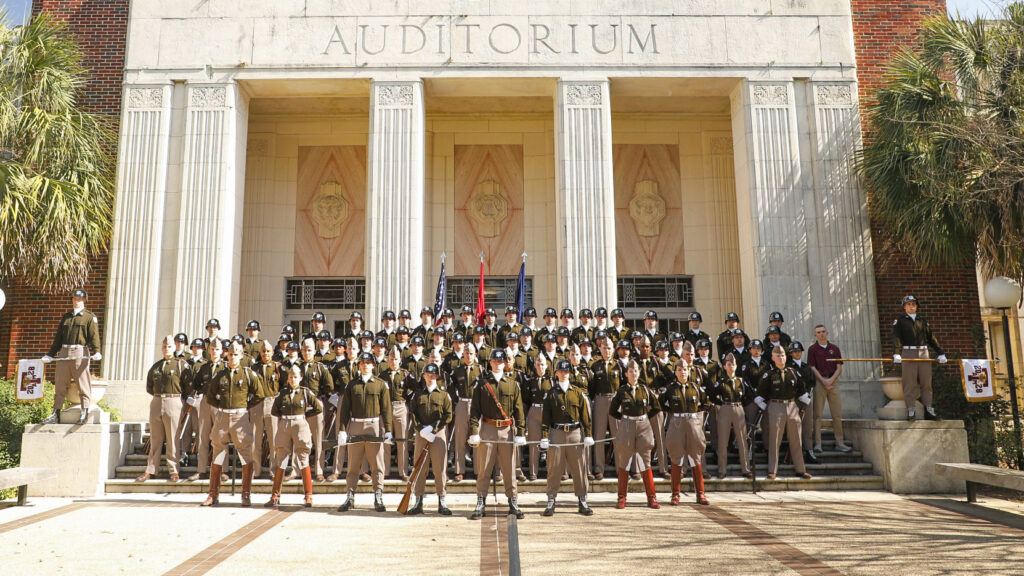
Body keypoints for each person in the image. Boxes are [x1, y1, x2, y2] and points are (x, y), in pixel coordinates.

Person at [202, 341, 265, 507]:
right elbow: (210, 396)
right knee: (217, 454)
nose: (233, 357)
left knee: (245, 455)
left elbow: (259, 394)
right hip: (222, 417)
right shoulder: (220, 375)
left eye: (236, 354)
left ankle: (245, 494)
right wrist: (221, 407)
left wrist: (245, 407)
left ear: (241, 355)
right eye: (230, 354)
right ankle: (213, 494)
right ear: (226, 355)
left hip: (240, 417)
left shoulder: (247, 374)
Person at [467, 349, 527, 520]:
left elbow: (519, 410)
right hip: (487, 428)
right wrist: (474, 432)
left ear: (505, 363)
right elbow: (475, 411)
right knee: (484, 468)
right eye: (494, 361)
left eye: (500, 361)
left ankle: (513, 501)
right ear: (490, 362)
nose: (497, 363)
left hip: (506, 431)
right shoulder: (482, 384)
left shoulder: (512, 384)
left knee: (509, 469)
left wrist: (521, 432)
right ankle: (481, 501)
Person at [337, 352, 394, 513]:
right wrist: (342, 429)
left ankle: (378, 495)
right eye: (362, 362)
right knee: (353, 465)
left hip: (374, 426)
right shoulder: (352, 385)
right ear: (359, 365)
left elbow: (386, 410)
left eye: (368, 362)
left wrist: (388, 430)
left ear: (373, 365)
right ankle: (350, 496)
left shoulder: (380, 385)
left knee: (377, 465)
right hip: (355, 425)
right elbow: (345, 410)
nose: (365, 365)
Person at [540, 359, 594, 516]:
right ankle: (551, 500)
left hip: (575, 433)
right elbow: (545, 419)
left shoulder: (577, 392)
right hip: (557, 433)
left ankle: (582, 500)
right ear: (556, 373)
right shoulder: (551, 393)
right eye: (561, 371)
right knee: (554, 468)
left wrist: (588, 435)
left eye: (566, 371)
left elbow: (585, 416)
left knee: (579, 469)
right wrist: (544, 436)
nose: (564, 374)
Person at [41, 289, 102, 424]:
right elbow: (58, 338)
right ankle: (55, 413)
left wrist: (97, 351)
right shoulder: (66, 317)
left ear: (84, 300)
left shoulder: (89, 317)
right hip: (64, 351)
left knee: (83, 383)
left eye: (79, 299)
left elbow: (94, 336)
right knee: (60, 384)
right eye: (74, 299)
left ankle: (84, 411)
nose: (76, 301)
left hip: (80, 352)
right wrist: (50, 354)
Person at [136, 336, 192, 483]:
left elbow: (188, 387)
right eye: (165, 346)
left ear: (174, 348)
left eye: (169, 346)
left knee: (173, 438)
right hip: (156, 400)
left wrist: (182, 403)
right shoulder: (156, 366)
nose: (167, 348)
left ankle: (173, 471)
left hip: (174, 401)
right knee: (155, 438)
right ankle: (150, 469)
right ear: (162, 348)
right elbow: (149, 386)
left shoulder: (181, 364)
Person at [265, 364, 322, 508]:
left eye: (295, 377)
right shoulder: (282, 393)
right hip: (284, 424)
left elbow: (318, 407)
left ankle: (308, 495)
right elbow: (274, 410)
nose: (292, 379)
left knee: (303, 457)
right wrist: (285, 418)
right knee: (281, 458)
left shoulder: (305, 393)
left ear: (300, 378)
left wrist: (304, 416)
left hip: (300, 424)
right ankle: (275, 496)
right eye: (290, 377)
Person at [753, 346, 813, 481]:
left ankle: (800, 470)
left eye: (783, 355)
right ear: (773, 358)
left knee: (796, 439)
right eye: (778, 356)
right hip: (775, 406)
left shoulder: (793, 373)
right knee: (775, 440)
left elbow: (802, 391)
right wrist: (766, 407)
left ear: (787, 357)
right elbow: (759, 395)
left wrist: (806, 402)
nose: (781, 358)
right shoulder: (769, 374)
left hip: (792, 406)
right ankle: (772, 471)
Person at [610, 359, 661, 509]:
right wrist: (625, 419)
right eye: (631, 371)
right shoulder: (621, 391)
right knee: (624, 461)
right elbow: (612, 411)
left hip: (643, 426)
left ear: (639, 373)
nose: (634, 373)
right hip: (626, 426)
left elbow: (656, 407)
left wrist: (644, 418)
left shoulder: (645, 390)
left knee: (645, 461)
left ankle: (652, 498)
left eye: (636, 371)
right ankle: (621, 498)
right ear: (626, 374)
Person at [406, 363, 454, 516]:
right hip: (421, 435)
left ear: (437, 376)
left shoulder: (443, 395)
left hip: (438, 433)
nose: (431, 376)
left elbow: (448, 415)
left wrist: (433, 429)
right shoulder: (417, 394)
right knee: (420, 468)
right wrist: (421, 429)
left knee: (440, 469)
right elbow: (412, 413)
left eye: (434, 374)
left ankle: (442, 500)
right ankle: (418, 501)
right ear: (423, 375)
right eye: (428, 374)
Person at [661, 358, 710, 505]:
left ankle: (700, 494)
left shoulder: (695, 387)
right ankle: (675, 494)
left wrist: (695, 414)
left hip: (693, 423)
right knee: (677, 458)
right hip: (677, 423)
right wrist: (673, 412)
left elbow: (706, 403)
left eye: (685, 369)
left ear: (689, 371)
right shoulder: (670, 388)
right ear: (675, 372)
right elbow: (661, 403)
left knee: (696, 458)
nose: (683, 372)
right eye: (680, 370)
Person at [892, 295, 946, 420]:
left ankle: (928, 409)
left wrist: (940, 352)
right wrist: (897, 352)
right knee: (909, 383)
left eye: (914, 304)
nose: (911, 306)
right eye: (909, 304)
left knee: (926, 383)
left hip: (923, 353)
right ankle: (911, 410)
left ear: (917, 306)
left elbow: (931, 338)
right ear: (904, 307)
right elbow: (897, 337)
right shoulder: (900, 321)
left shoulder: (923, 320)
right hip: (908, 352)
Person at [807, 324, 852, 453]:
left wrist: (831, 380)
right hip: (820, 383)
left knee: (837, 414)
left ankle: (840, 442)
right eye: (818, 332)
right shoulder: (812, 349)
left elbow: (839, 367)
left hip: (834, 382)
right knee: (818, 415)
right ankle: (818, 444)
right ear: (815, 335)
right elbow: (812, 367)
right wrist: (823, 381)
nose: (821, 334)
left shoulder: (835, 348)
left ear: (827, 333)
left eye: (823, 332)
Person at [711, 353, 753, 480]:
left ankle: (746, 469)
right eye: (729, 364)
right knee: (723, 440)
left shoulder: (741, 381)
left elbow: (749, 395)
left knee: (742, 440)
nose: (731, 366)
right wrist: (721, 404)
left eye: (733, 364)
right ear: (724, 366)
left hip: (739, 408)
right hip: (725, 408)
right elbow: (713, 395)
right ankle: (722, 469)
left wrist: (742, 405)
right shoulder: (721, 382)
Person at [451, 343, 483, 482]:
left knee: (476, 438)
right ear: (463, 354)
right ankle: (459, 470)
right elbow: (451, 387)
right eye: (466, 353)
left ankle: (478, 470)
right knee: (460, 438)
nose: (468, 355)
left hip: (476, 405)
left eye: (471, 353)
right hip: (462, 404)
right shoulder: (457, 370)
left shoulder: (481, 370)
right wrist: (456, 400)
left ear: (475, 354)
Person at [251, 341, 281, 479]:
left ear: (272, 353)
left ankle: (273, 469)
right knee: (255, 438)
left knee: (273, 438)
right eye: (263, 351)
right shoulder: (253, 368)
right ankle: (255, 470)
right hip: (257, 403)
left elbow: (283, 386)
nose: (266, 354)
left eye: (268, 351)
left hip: (271, 401)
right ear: (260, 353)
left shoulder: (277, 368)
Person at [525, 354, 553, 481]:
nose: (540, 366)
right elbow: (526, 400)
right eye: (538, 364)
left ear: (546, 366)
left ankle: (551, 471)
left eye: (542, 364)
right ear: (535, 365)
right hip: (534, 410)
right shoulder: (530, 381)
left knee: (549, 443)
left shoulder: (552, 381)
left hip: (547, 412)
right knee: (533, 443)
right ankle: (533, 472)